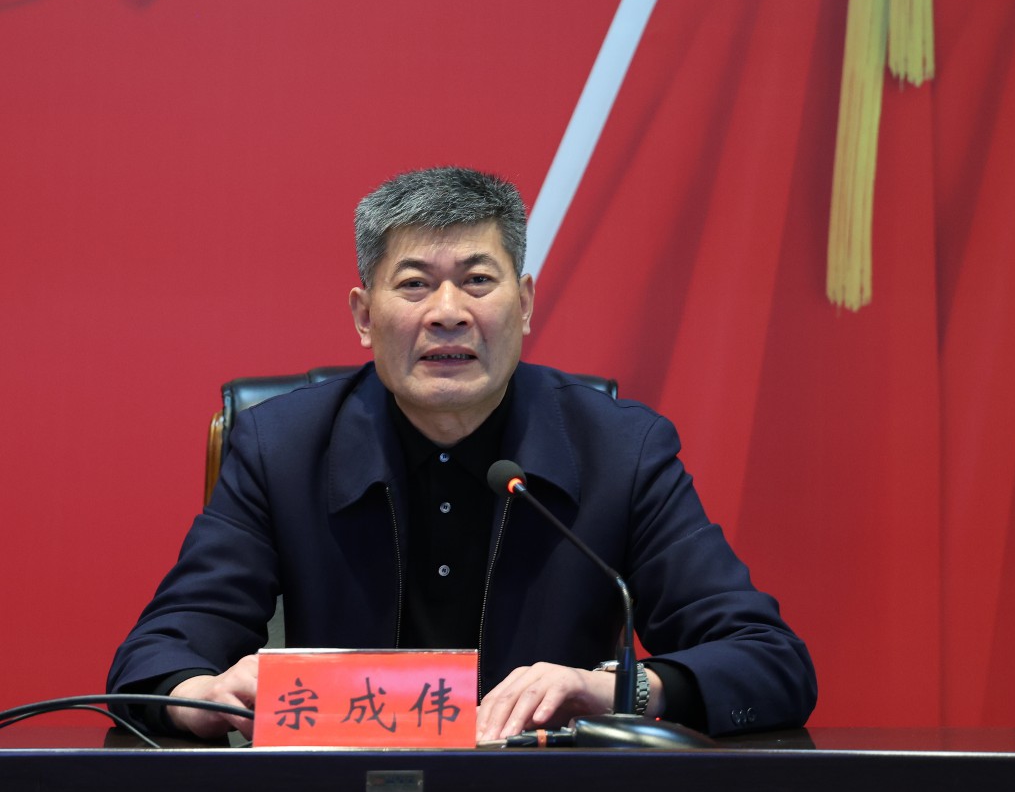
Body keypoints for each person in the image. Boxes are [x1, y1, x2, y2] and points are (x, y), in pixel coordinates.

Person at [108, 166, 815, 741]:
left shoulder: (620, 451)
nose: (448, 311)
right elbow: (155, 656)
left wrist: (613, 689)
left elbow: (769, 661)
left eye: (478, 280)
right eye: (414, 284)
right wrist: (200, 696)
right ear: (364, 315)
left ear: (525, 304)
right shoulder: (281, 450)